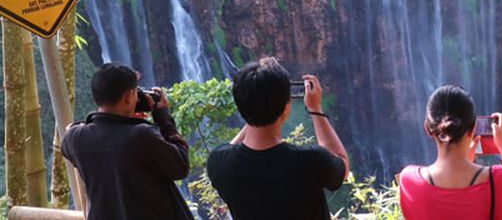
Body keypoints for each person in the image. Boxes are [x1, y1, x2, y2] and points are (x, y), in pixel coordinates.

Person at [207, 57, 349, 220]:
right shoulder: (310, 161)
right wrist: (315, 109)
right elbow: (342, 164)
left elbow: (229, 150)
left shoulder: (219, 163)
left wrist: (253, 111)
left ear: (240, 105)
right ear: (286, 107)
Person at [61, 63, 193, 220]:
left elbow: (94, 133)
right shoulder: (142, 136)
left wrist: (123, 117)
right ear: (128, 97)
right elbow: (181, 166)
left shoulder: (75, 138)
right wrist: (164, 120)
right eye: (136, 92)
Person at [399, 85, 502, 220]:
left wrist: (465, 162)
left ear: (427, 128)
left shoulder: (408, 180)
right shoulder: (501, 179)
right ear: (474, 127)